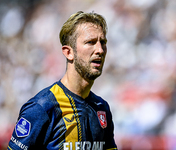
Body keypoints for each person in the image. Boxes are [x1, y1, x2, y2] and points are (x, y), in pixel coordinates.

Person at [7, 11, 117, 150]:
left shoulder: (101, 107)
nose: (100, 50)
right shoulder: (42, 107)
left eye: (103, 42)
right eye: (90, 42)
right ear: (68, 52)